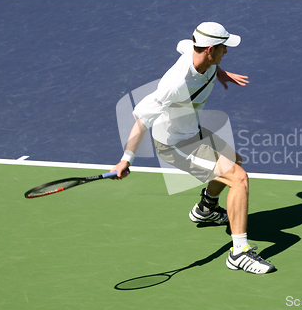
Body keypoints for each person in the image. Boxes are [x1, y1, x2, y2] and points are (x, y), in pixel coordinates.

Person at [111, 22, 276, 274]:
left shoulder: (197, 51)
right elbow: (141, 120)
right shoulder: (175, 84)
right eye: (223, 48)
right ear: (210, 50)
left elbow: (189, 47)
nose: (227, 52)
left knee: (236, 161)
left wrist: (218, 72)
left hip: (191, 131)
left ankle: (206, 209)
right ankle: (239, 253)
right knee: (238, 179)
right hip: (175, 143)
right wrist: (127, 159)